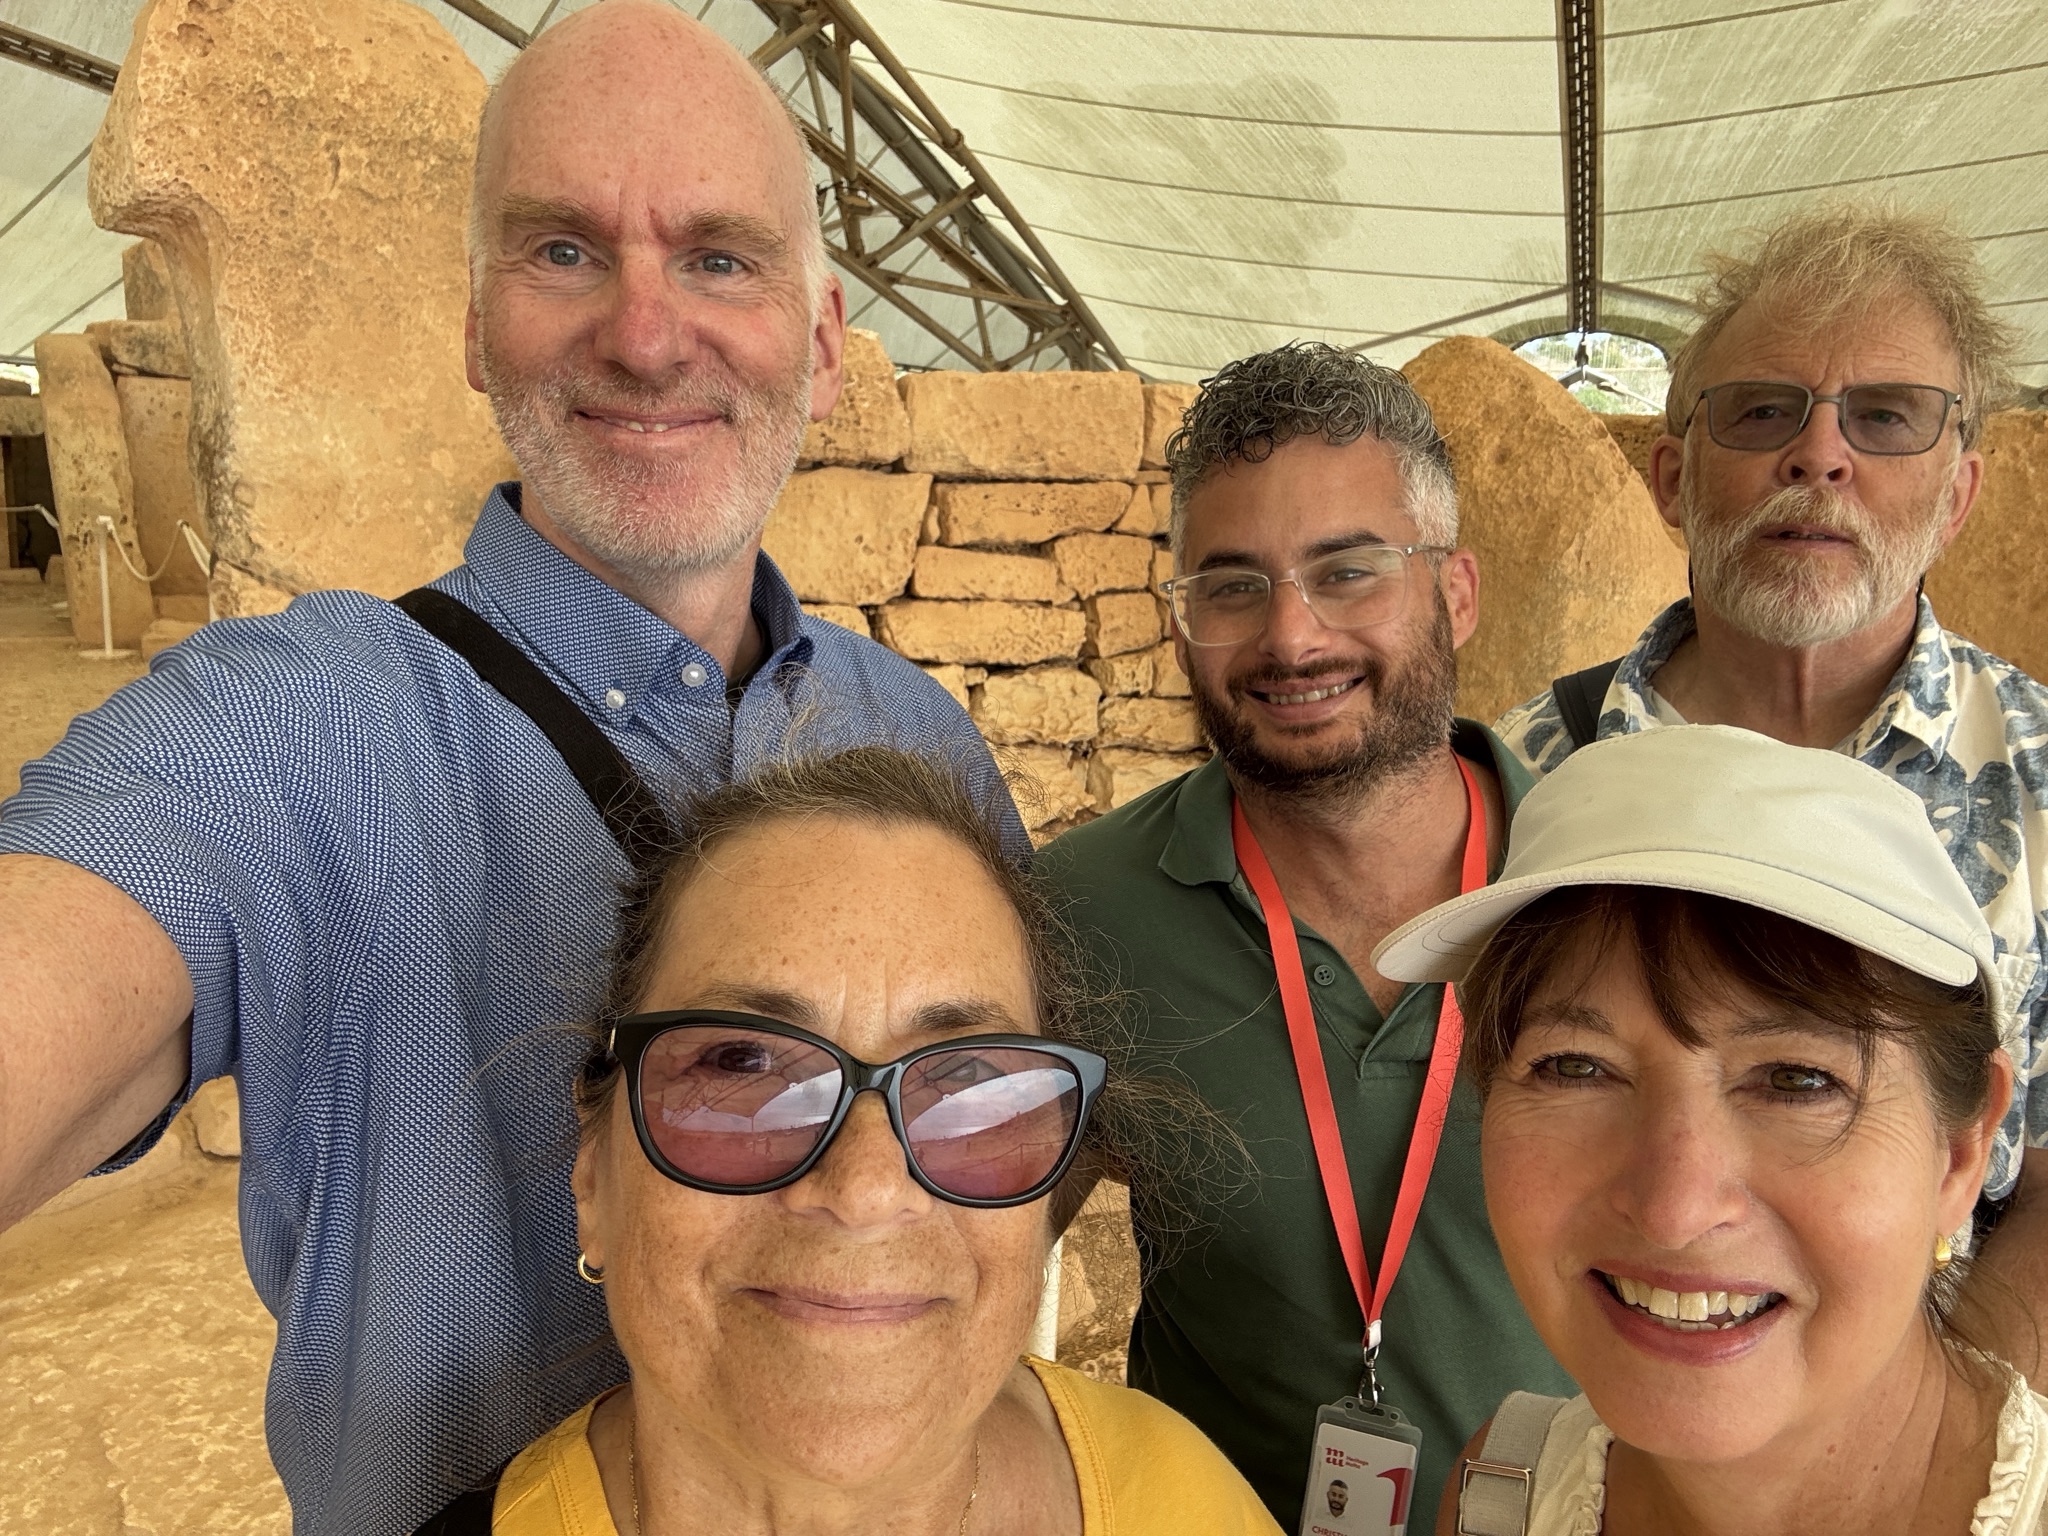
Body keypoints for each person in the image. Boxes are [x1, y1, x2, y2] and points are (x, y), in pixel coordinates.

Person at [0, 6, 1020, 1530]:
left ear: (821, 338)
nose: (648, 331)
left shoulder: (920, 739)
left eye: (721, 257)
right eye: (563, 252)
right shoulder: (297, 734)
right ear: (473, 329)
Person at [453, 747, 1280, 1535]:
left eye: (966, 1086)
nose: (866, 1192)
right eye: (744, 1064)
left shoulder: (1183, 1497)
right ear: (593, 1173)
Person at [1494, 206, 2048, 1373]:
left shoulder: (2038, 785)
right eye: (1761, 411)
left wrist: (1917, 1447)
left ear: (1954, 497)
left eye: (1883, 416)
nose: (1818, 454)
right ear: (1668, 476)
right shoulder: (1526, 771)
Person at [1041, 341, 1571, 1536]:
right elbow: (969, 1251)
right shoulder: (1082, 913)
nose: (1288, 638)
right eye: (1230, 585)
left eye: (1346, 572)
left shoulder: (1604, 890)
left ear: (1456, 591)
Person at [1372, 725, 2046, 1536]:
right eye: (1577, 1066)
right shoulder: (1502, 1493)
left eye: (1797, 1082)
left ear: (1961, 1154)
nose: (1674, 1208)